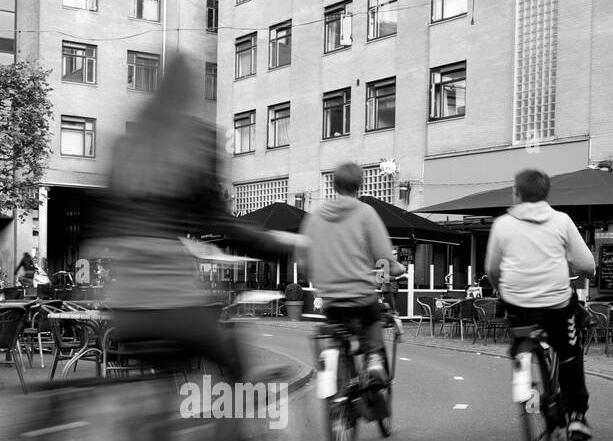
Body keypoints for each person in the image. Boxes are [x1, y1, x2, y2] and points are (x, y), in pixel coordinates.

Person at [92, 53, 297, 380]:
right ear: (190, 92)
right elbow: (215, 221)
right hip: (175, 304)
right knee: (234, 368)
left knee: (163, 382)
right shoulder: (196, 138)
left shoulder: (126, 142)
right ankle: (235, 421)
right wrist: (278, 246)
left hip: (125, 307)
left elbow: (102, 220)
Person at [486, 168, 596, 441]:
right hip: (557, 305)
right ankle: (577, 417)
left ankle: (525, 366)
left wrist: (502, 287)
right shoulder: (561, 221)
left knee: (521, 340)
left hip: (518, 305)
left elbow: (492, 269)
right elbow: (586, 265)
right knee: (570, 353)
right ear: (546, 193)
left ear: (516, 193)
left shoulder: (502, 224)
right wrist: (578, 270)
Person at [300, 161, 404, 383]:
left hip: (331, 304)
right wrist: (397, 268)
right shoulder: (366, 214)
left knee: (335, 332)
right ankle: (374, 358)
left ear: (334, 185)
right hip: (361, 298)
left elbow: (303, 261)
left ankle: (336, 393)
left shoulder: (315, 217)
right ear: (359, 185)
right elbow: (383, 260)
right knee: (373, 316)